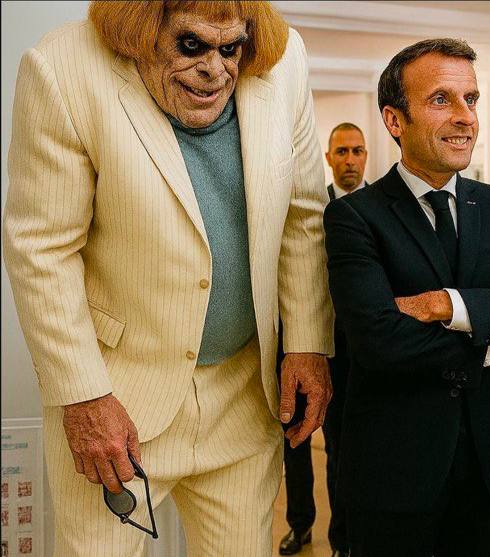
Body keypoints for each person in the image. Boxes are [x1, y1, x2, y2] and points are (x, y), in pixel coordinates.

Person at [2, 2, 334, 556]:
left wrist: (306, 344)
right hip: (118, 399)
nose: (215, 70)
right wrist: (84, 397)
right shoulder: (61, 68)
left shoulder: (287, 61)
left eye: (230, 48)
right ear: (142, 29)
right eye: (191, 45)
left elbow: (303, 216)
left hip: (243, 398)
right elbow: (42, 248)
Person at [323, 38, 490, 557]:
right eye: (442, 99)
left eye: (471, 99)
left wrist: (446, 304)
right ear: (395, 120)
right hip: (396, 470)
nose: (465, 117)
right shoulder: (355, 216)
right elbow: (377, 341)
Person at [279, 123, 367, 557]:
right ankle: (300, 525)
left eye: (357, 151)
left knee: (342, 447)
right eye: (342, 152)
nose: (350, 160)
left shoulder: (376, 208)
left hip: (352, 350)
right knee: (296, 439)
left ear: (366, 156)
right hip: (302, 341)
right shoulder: (310, 208)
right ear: (329, 158)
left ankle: (342, 539)